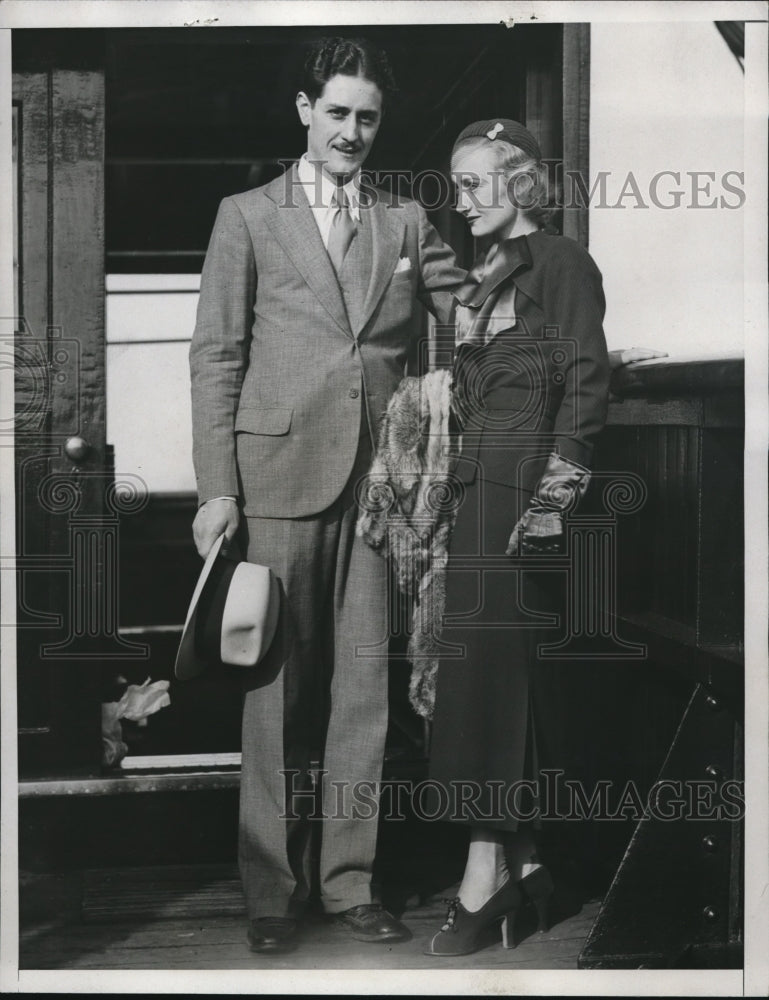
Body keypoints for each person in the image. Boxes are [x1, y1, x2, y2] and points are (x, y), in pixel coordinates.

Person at [188, 37, 464, 954]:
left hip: (380, 490)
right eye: (337, 112)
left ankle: (349, 883)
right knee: (272, 693)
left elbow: (463, 311)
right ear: (306, 111)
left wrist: (548, 306)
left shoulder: (405, 221)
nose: (352, 131)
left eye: (368, 117)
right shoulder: (247, 216)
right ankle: (271, 893)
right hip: (273, 483)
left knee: (363, 697)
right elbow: (216, 358)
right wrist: (216, 491)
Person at [423, 118, 612, 957]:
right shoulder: (486, 277)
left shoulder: (563, 263)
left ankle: (483, 872)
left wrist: (550, 507)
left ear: (520, 182)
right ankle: (526, 863)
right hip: (476, 499)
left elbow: (585, 387)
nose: (458, 203)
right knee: (478, 687)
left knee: (500, 688)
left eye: (471, 185)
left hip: (526, 500)